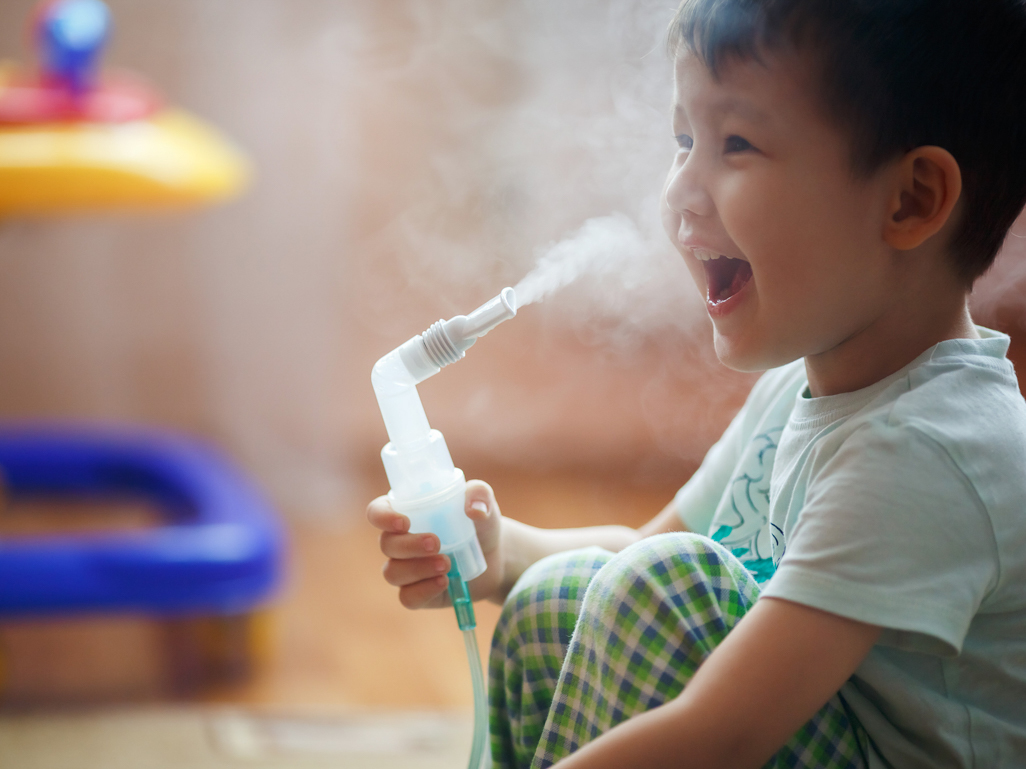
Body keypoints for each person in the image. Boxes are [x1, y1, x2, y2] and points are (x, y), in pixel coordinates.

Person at [366, 1, 1026, 766]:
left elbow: (722, 730)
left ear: (910, 200)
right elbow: (645, 555)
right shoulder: (803, 387)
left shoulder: (930, 452)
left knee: (670, 591)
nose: (681, 191)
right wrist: (501, 551)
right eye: (685, 140)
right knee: (561, 598)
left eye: (735, 143)